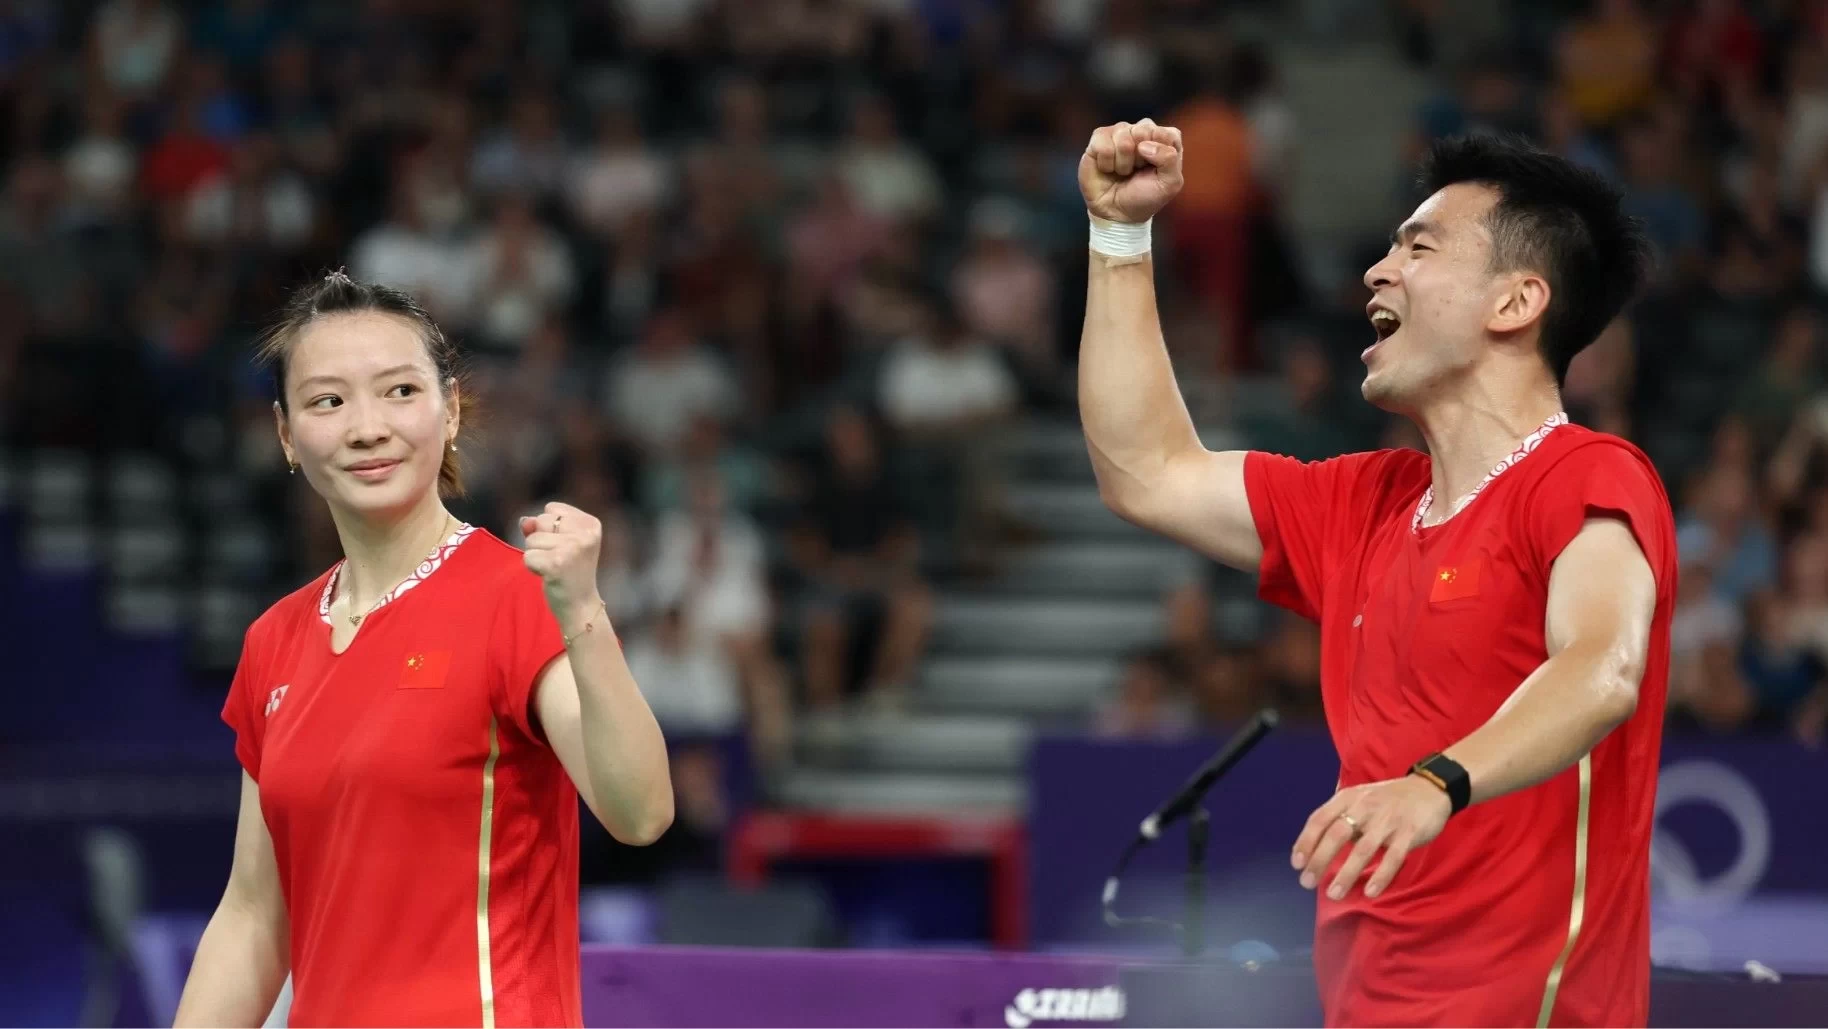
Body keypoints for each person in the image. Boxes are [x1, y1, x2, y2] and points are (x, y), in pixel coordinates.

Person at [1078, 122, 1675, 1027]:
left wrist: (1435, 782)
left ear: (1515, 302)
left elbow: (1602, 668)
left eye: (1419, 245)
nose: (1376, 270)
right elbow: (1146, 471)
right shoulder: (1364, 503)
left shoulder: (1588, 474)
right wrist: (1119, 238)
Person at [172, 273, 673, 1027]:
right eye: (328, 400)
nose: (367, 427)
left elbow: (639, 811)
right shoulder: (273, 639)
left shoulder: (516, 596)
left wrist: (585, 616)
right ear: (285, 433)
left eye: (400, 391)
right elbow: (252, 914)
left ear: (452, 408)